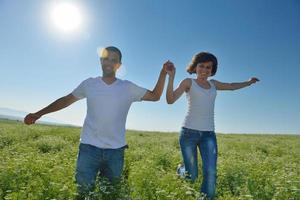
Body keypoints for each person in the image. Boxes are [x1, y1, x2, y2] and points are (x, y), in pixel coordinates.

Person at [24, 46, 169, 199]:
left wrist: (163, 73)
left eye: (114, 60)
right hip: (88, 149)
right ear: (101, 61)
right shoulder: (89, 84)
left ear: (119, 65)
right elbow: (66, 100)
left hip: (115, 152)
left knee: (110, 194)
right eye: (106, 58)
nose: (109, 62)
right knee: (83, 194)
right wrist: (39, 113)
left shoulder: (128, 87)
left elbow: (155, 96)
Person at [165, 52, 259, 199]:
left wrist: (248, 82)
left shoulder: (213, 84)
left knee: (211, 172)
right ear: (195, 67)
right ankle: (182, 169)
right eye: (201, 66)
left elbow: (231, 86)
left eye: (209, 67)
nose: (204, 70)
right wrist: (170, 78)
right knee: (192, 175)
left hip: (209, 135)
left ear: (212, 70)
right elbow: (170, 100)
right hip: (188, 133)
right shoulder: (188, 82)